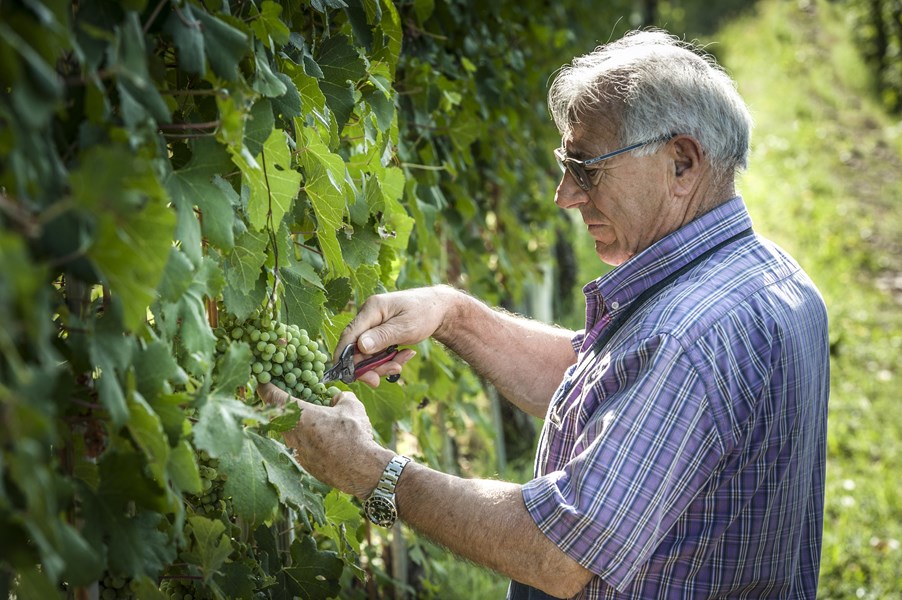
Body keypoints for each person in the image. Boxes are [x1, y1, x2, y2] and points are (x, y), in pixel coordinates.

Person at [260, 29, 830, 599]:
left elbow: (556, 551)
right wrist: (451, 314)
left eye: (586, 167)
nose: (565, 194)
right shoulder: (769, 278)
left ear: (680, 162)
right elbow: (617, 394)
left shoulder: (688, 335)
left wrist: (374, 472)